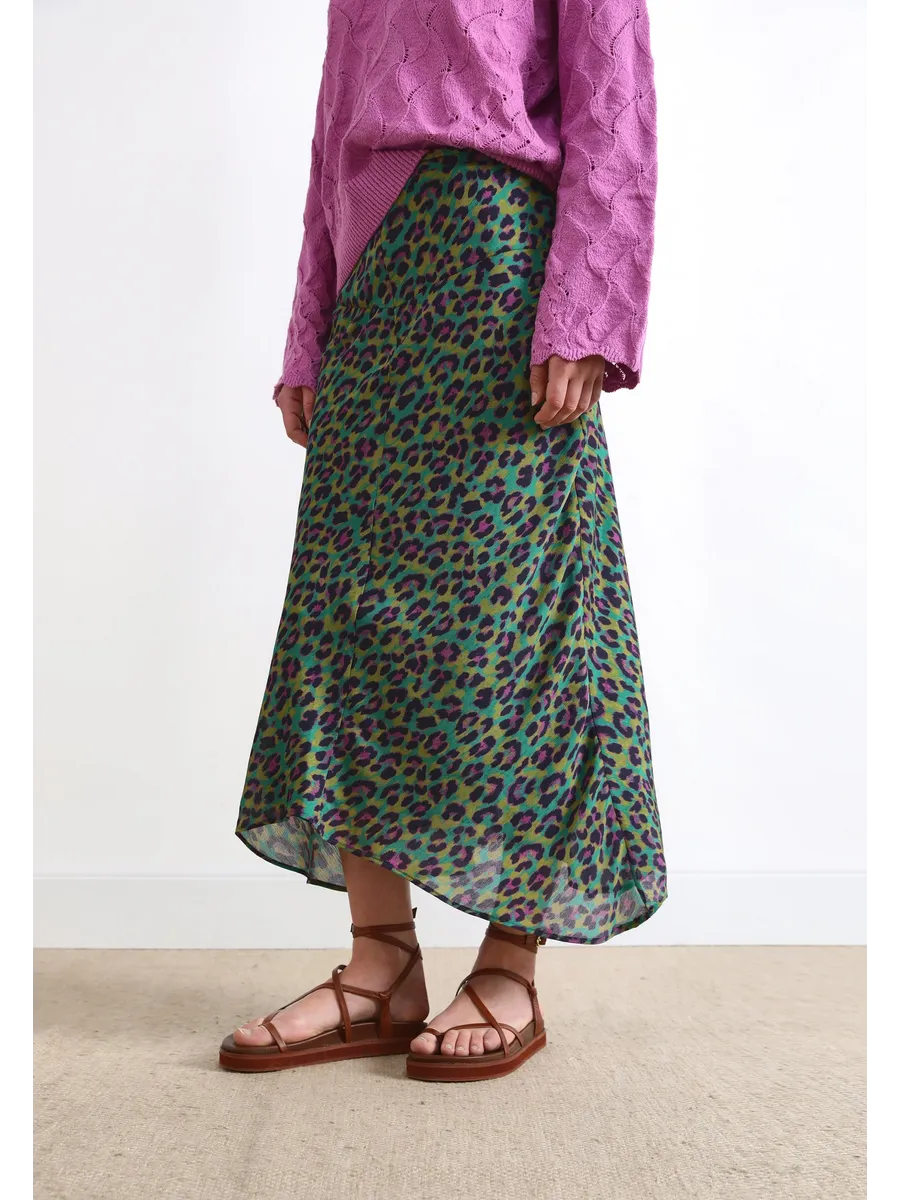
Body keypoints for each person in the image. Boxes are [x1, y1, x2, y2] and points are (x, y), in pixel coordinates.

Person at [219, 0, 667, 1083]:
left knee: (527, 621)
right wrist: (310, 328)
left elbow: (614, 101)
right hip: (374, 280)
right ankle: (381, 967)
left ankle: (510, 964)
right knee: (351, 613)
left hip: (499, 268)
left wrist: (585, 311)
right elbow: (334, 132)